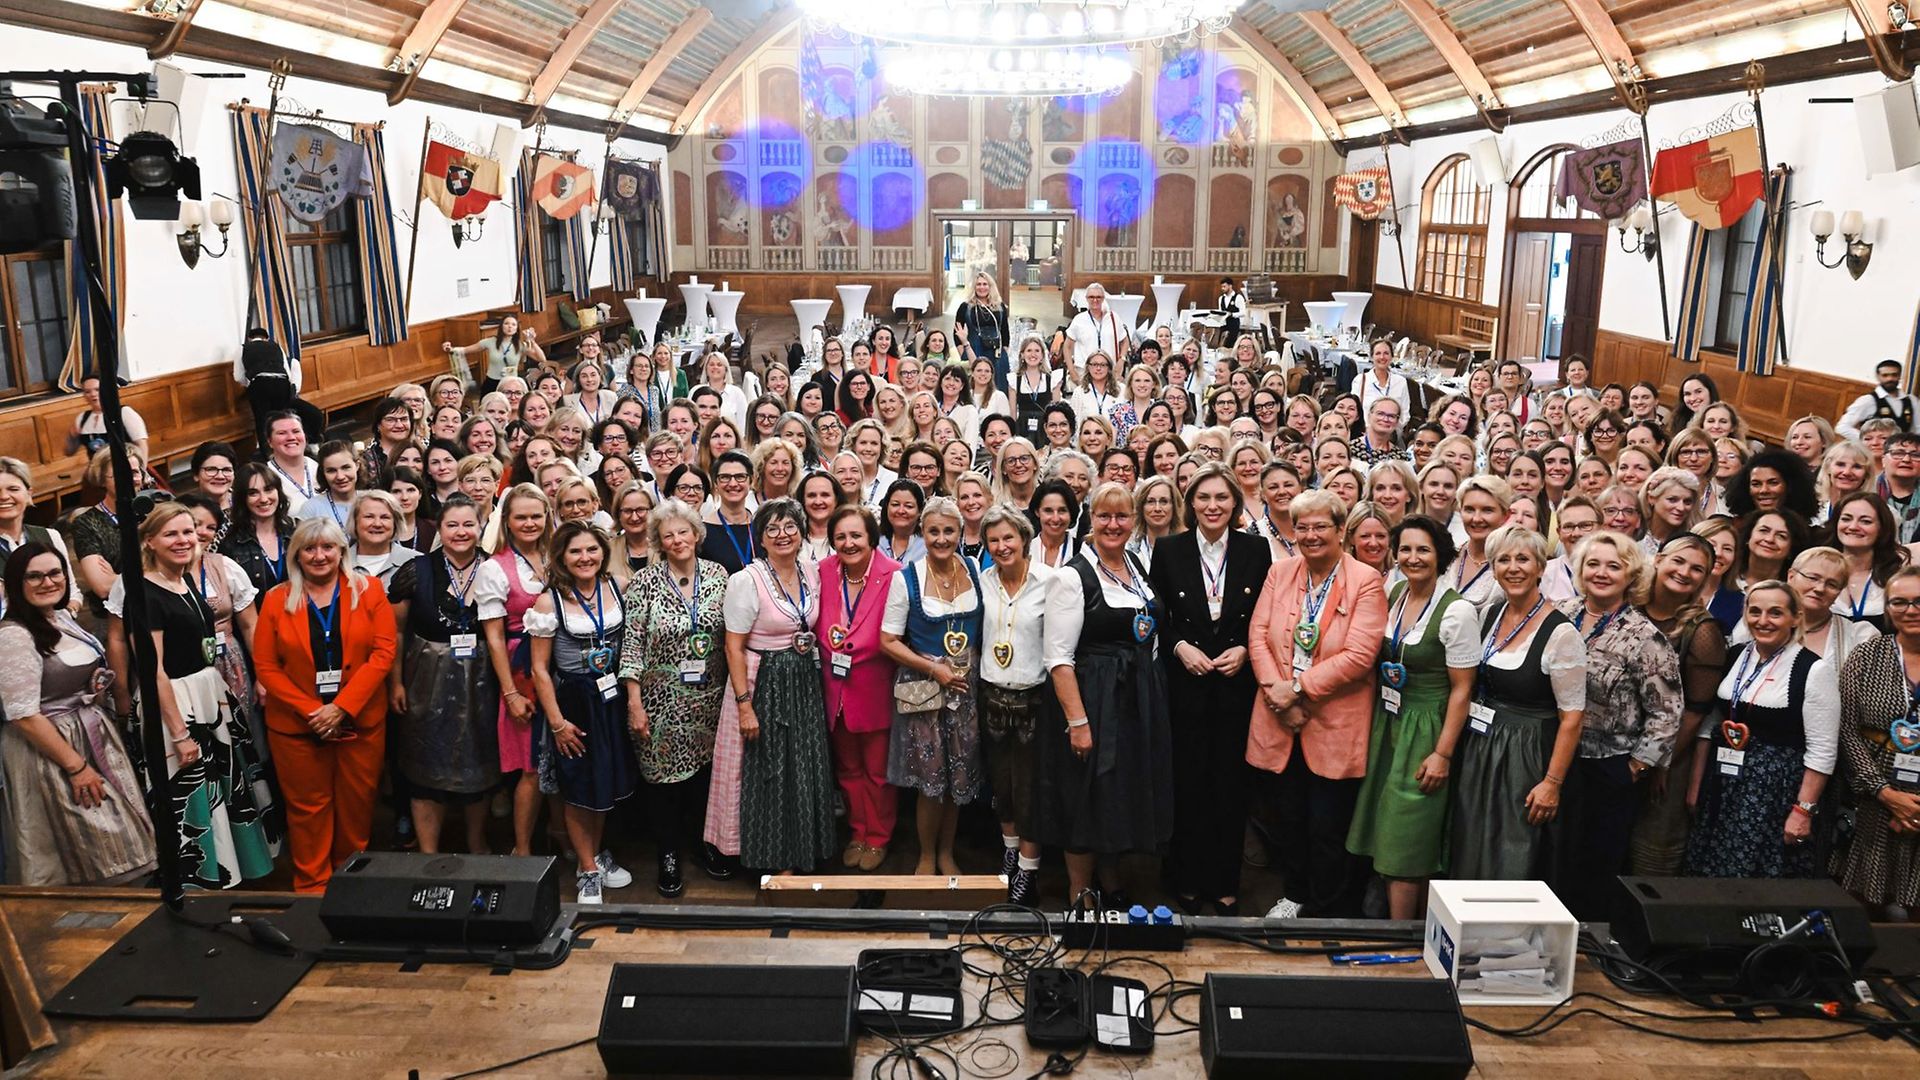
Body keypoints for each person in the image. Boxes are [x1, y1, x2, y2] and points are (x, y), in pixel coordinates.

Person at [112, 503, 279, 887]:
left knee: (225, 788)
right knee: (196, 798)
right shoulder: (144, 594)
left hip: (208, 693)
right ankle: (200, 880)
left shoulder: (183, 580)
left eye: (188, 532)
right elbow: (153, 670)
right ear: (149, 541)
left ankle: (234, 871)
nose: (183, 540)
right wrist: (179, 734)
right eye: (171, 534)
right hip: (176, 703)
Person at [1247, 489, 1386, 919]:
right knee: (1288, 821)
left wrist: (1298, 689)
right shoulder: (1281, 573)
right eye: (1302, 527)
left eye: (1320, 526)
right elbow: (1258, 636)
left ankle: (1329, 907)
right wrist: (1278, 693)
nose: (1310, 535)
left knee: (1328, 825)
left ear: (1341, 530)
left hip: (1335, 723)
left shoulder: (1365, 580)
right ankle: (1295, 893)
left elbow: (1360, 656)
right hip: (1280, 718)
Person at [1037, 482, 1174, 904]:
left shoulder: (1135, 563)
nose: (1113, 525)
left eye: (1122, 516)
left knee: (1117, 792)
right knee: (1086, 794)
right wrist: (1078, 723)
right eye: (1103, 516)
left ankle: (1111, 877)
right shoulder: (1071, 576)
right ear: (1089, 521)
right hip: (1093, 697)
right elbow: (1058, 658)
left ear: (1133, 521)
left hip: (1135, 696)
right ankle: (1080, 891)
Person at [1150, 465, 1272, 915]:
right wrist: (1179, 646)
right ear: (1191, 504)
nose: (1213, 506)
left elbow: (1266, 614)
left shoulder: (1256, 550)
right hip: (1186, 682)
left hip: (1235, 683)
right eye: (1203, 498)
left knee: (1229, 784)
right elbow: (1157, 614)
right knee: (1187, 781)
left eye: (1222, 498)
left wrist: (1244, 648)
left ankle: (1224, 881)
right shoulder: (1169, 550)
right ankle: (1184, 876)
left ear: (1235, 504)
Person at [253, 517, 395, 892]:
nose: (319, 556)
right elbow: (266, 666)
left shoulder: (369, 590)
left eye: (328, 547)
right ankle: (312, 887)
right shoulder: (276, 599)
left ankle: (351, 883)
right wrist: (313, 710)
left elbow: (383, 653)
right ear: (296, 554)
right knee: (307, 811)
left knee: (357, 806)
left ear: (341, 552)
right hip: (298, 728)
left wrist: (342, 707)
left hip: (359, 723)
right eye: (310, 548)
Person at [0, 544, 156, 885]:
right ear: (16, 583)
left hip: (87, 733)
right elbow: (23, 714)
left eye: (54, 573)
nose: (47, 582)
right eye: (34, 576)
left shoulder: (60, 618)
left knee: (119, 846)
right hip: (52, 751)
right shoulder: (14, 635)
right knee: (93, 847)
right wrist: (77, 767)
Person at [1346, 516, 1476, 920]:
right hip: (1391, 720)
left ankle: (1401, 939)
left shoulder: (1458, 612)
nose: (1413, 558)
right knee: (1390, 828)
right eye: (1405, 549)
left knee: (1408, 835)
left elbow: (1462, 690)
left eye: (1423, 550)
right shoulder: (1397, 590)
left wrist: (1442, 754)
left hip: (1428, 727)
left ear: (1441, 555)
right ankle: (1408, 930)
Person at [1551, 531, 1682, 920]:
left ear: (1632, 575)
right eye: (1593, 563)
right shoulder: (1558, 613)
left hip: (1607, 768)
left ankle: (1590, 953)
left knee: (1595, 867)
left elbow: (1667, 711)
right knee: (1554, 861)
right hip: (1554, 758)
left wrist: (1637, 767)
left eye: (1614, 565)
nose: (1602, 573)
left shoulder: (1645, 636)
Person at [1450, 524, 1587, 882]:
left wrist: (1552, 782)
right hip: (1482, 747)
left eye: (1523, 559)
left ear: (1541, 567)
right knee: (1473, 839)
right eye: (1503, 560)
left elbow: (1572, 718)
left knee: (1513, 847)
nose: (1513, 567)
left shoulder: (1561, 633)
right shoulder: (1490, 615)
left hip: (1527, 755)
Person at [1685, 580, 1837, 878]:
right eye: (1755, 611)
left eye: (1775, 613)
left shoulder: (1813, 669)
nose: (1763, 621)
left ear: (1795, 618)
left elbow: (1823, 749)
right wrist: (1695, 785)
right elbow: (1712, 723)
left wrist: (1803, 811)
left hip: (1773, 794)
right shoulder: (1735, 655)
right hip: (1723, 784)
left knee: (1755, 876)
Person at [720, 499, 836, 872]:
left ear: (802, 533)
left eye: (790, 527)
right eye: (772, 529)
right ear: (761, 539)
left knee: (803, 768)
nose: (782, 535)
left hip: (803, 680)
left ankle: (803, 851)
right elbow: (733, 646)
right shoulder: (746, 580)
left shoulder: (811, 572)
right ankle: (772, 857)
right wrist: (744, 704)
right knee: (770, 771)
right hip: (764, 681)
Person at [619, 501, 729, 896]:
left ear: (697, 535)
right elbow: (631, 644)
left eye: (683, 532)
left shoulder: (719, 576)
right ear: (658, 542)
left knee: (703, 778)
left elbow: (731, 637)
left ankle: (703, 844)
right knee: (664, 783)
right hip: (659, 701)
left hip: (710, 700)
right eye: (668, 535)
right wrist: (634, 702)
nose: (677, 540)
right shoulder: (645, 582)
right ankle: (668, 853)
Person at [527, 522, 638, 904]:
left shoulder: (619, 587)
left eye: (591, 550)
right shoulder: (548, 602)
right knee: (577, 785)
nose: (585, 558)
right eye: (575, 551)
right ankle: (588, 869)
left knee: (604, 782)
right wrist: (557, 723)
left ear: (603, 552)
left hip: (612, 696)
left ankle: (595, 853)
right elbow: (540, 669)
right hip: (573, 700)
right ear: (561, 556)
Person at [385, 496, 499, 856]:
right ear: (440, 528)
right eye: (452, 525)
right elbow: (397, 633)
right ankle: (428, 852)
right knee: (424, 770)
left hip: (482, 680)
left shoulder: (493, 568)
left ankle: (477, 842)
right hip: (425, 680)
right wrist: (396, 682)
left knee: (478, 766)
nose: (461, 532)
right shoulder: (417, 570)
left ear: (480, 528)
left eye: (469, 524)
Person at [879, 496, 984, 876]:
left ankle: (946, 851)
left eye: (949, 531)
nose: (941, 539)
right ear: (923, 532)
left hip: (965, 688)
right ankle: (926, 854)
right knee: (931, 778)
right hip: (923, 687)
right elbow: (887, 641)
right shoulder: (904, 578)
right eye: (934, 531)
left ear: (960, 532)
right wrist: (931, 667)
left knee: (959, 772)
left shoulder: (973, 568)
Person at [1629, 535, 1730, 876]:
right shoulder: (1628, 607)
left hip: (1668, 758)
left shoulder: (1702, 631)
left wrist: (1657, 760)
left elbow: (1695, 710)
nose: (1685, 571)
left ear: (1705, 578)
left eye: (1697, 568)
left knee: (1649, 854)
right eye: (1679, 561)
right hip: (1613, 747)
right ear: (1658, 559)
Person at [977, 505, 1057, 904]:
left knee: (1030, 791)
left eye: (1008, 538)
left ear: (1025, 539)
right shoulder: (982, 581)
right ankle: (1010, 854)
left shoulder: (1050, 582)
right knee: (1002, 786)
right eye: (993, 540)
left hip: (1035, 700)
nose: (1001, 546)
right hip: (991, 696)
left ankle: (1028, 872)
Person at [817, 505, 901, 873]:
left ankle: (878, 836)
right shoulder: (822, 572)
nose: (848, 543)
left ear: (871, 538)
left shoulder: (894, 575)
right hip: (834, 690)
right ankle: (857, 832)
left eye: (856, 536)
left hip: (874, 690)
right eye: (841, 537)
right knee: (848, 771)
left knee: (878, 772)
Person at [1836, 565, 1920, 914]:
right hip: (1872, 797)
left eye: (1919, 601)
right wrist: (1884, 793)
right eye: (1900, 602)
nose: (1911, 610)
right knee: (1862, 901)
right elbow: (1847, 730)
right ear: (1887, 609)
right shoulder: (1867, 655)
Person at [475, 484, 553, 857]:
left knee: (563, 755)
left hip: (560, 662)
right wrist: (510, 693)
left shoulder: (556, 553)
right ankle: (521, 849)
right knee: (531, 765)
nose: (529, 523)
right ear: (506, 521)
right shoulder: (494, 567)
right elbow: (492, 638)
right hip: (521, 669)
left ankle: (562, 836)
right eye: (521, 517)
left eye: (536, 515)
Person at [233, 327, 323, 450]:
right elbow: (287, 371)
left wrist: (251, 383)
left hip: (260, 384)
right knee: (283, 415)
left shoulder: (243, 348)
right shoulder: (276, 346)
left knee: (262, 419)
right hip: (282, 383)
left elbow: (238, 376)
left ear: (249, 338)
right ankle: (306, 444)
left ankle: (267, 453)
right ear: (266, 338)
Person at [444, 314, 545, 393]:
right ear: (501, 326)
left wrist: (533, 341)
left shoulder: (520, 345)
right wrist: (451, 349)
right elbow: (466, 350)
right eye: (506, 323)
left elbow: (542, 359)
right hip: (492, 382)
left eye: (513, 324)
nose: (510, 327)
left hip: (511, 383)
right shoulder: (490, 342)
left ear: (516, 329)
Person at [66, 374, 150, 461]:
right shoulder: (82, 418)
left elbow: (142, 446)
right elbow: (69, 452)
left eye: (97, 390)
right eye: (87, 392)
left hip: (125, 468)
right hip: (99, 472)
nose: (93, 394)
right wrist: (72, 437)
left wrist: (141, 471)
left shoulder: (124, 413)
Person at [1837, 359, 1919, 439]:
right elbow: (1842, 427)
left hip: (1901, 451)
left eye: (1894, 375)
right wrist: (1868, 440)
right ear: (1877, 376)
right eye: (1885, 375)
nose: (1889, 379)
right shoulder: (1867, 400)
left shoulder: (1912, 400)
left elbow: (1918, 428)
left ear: (1900, 376)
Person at [955, 271, 1011, 388]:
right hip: (975, 349)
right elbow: (957, 333)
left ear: (990, 286)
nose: (982, 287)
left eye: (985, 284)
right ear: (974, 287)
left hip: (997, 352)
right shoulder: (965, 307)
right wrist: (964, 353)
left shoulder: (1000, 306)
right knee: (976, 385)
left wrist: (1004, 351)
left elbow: (1005, 330)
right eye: (978, 284)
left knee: (999, 385)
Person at [1064, 283, 1130, 378]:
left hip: (1109, 372)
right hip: (1085, 372)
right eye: (1091, 297)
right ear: (1086, 298)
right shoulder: (1079, 320)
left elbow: (1124, 340)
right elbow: (1067, 346)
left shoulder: (1114, 318)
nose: (1095, 300)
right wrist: (1072, 371)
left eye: (1098, 297)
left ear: (1103, 298)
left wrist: (1122, 360)